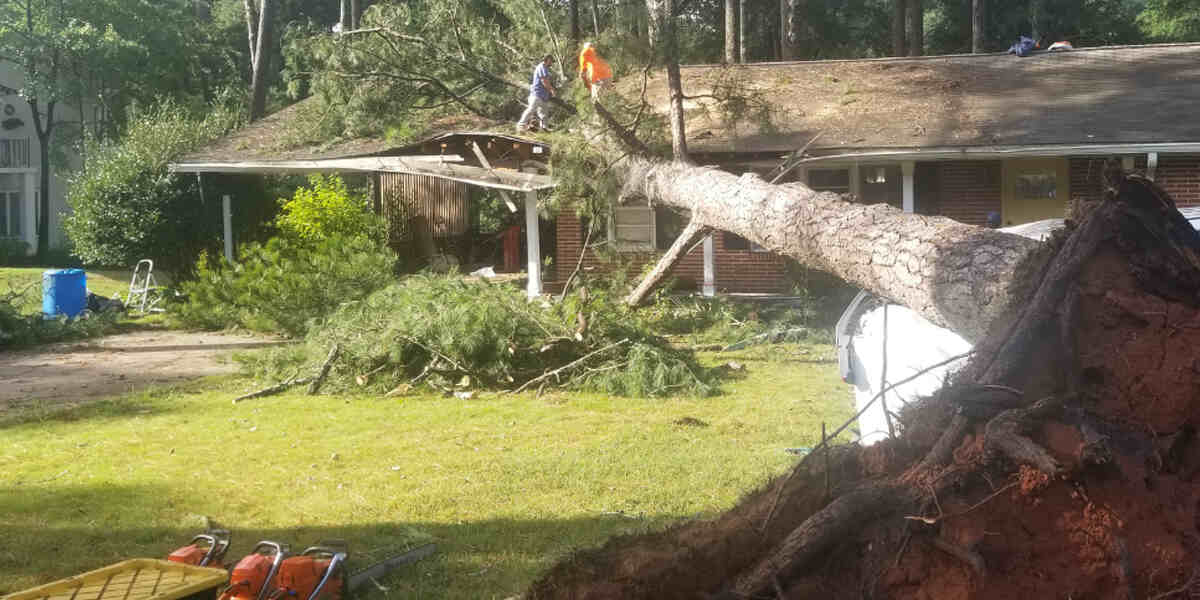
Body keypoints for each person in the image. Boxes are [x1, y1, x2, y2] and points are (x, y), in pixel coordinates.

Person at [517, 55, 556, 132]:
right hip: (537, 94)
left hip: (543, 96)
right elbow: (544, 81)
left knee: (544, 113)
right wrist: (552, 90)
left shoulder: (546, 68)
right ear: (547, 60)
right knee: (531, 109)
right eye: (551, 61)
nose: (551, 63)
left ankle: (544, 128)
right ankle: (521, 125)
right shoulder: (541, 67)